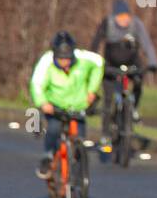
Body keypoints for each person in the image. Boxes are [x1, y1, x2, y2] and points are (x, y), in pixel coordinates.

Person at [31, 31, 103, 180]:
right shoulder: (46, 62)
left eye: (68, 58)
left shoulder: (83, 57)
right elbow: (36, 83)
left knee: (80, 140)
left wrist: (92, 90)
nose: (65, 62)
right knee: (53, 129)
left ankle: (79, 182)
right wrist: (43, 102)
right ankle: (48, 156)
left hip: (78, 107)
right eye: (62, 59)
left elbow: (99, 63)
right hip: (55, 107)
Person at [89, 0, 157, 149]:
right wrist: (92, 62)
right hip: (111, 65)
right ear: (115, 17)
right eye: (121, 17)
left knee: (139, 82)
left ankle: (133, 109)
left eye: (126, 16)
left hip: (132, 63)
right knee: (108, 99)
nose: (124, 20)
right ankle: (106, 134)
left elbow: (147, 44)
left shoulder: (136, 24)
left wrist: (153, 63)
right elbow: (95, 43)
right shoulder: (107, 24)